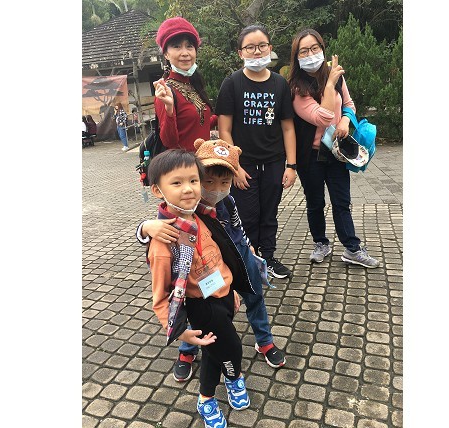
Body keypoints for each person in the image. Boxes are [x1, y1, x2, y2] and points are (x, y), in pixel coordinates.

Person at [137, 138, 286, 382]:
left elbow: (237, 226)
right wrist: (145, 227)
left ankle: (264, 340)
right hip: (202, 266)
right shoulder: (187, 205)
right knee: (194, 306)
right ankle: (187, 349)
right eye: (207, 181)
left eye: (225, 182)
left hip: (236, 254)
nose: (216, 189)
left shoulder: (227, 200)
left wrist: (248, 246)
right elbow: (162, 225)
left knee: (255, 295)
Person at [145, 149, 253, 427]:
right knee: (231, 350)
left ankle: (211, 395)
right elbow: (159, 297)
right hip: (202, 306)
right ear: (157, 190)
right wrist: (178, 330)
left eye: (193, 181)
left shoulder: (203, 215)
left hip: (224, 295)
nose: (188, 189)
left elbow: (222, 255)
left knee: (214, 351)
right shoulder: (164, 240)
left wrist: (232, 288)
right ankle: (224, 386)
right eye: (177, 182)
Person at [287, 29, 379, 267]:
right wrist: (329, 85)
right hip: (310, 155)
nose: (310, 54)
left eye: (314, 48)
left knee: (341, 201)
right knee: (315, 202)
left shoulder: (336, 75)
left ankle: (352, 248)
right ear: (296, 56)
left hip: (337, 152)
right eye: (304, 51)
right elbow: (323, 117)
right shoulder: (296, 89)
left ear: (322, 48)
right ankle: (321, 243)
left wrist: (346, 120)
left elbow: (348, 104)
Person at [215, 24, 297, 279]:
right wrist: (235, 167)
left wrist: (291, 166)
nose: (257, 51)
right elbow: (224, 129)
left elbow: (288, 127)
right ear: (240, 52)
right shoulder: (232, 83)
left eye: (262, 46)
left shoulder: (280, 84)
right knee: (247, 215)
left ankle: (268, 257)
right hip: (245, 164)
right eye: (250, 47)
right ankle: (248, 260)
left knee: (269, 213)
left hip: (274, 162)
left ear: (270, 48)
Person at [154, 17, 218, 152]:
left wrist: (227, 112)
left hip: (204, 161)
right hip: (185, 164)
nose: (185, 53)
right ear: (166, 54)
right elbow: (169, 142)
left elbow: (200, 124)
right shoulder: (166, 91)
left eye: (189, 46)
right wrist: (169, 108)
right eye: (177, 46)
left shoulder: (194, 85)